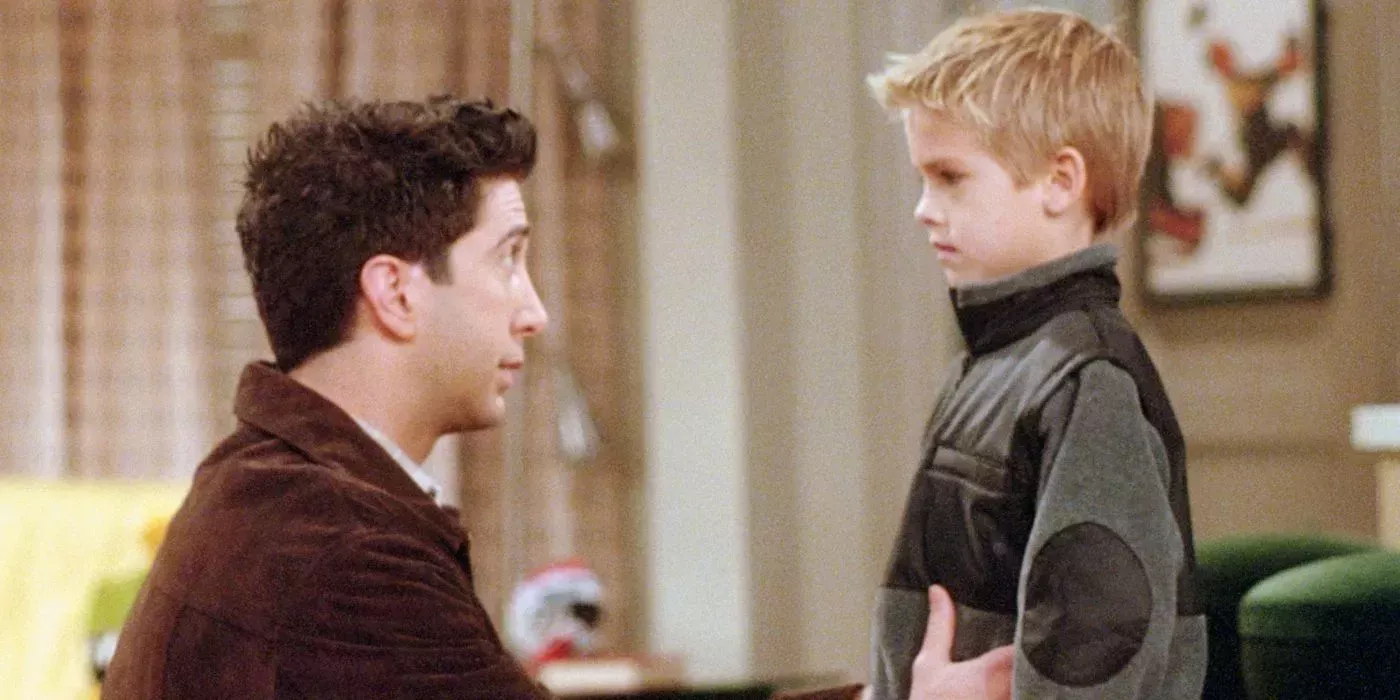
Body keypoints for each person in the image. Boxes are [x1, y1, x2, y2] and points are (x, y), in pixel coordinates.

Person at [101, 96, 1010, 699]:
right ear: (396, 293)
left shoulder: (273, 486)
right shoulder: (341, 552)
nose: (533, 312)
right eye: (508, 260)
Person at [864, 8, 1206, 700]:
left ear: (1059, 181)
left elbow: (1098, 649)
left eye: (951, 177)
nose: (924, 208)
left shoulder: (1088, 380)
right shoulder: (989, 364)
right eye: (923, 179)